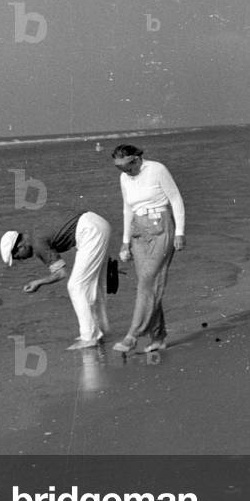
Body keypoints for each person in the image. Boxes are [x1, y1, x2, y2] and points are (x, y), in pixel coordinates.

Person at [111, 144, 186, 354]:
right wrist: (125, 241)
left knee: (148, 281)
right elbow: (127, 208)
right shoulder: (124, 178)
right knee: (147, 283)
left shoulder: (157, 169)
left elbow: (176, 199)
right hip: (138, 230)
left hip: (161, 226)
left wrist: (180, 232)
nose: (124, 171)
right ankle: (158, 337)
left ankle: (132, 335)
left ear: (136, 159)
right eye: (118, 167)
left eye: (126, 166)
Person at [0, 211, 111, 350]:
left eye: (17, 257)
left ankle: (88, 338)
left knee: (75, 287)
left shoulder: (37, 244)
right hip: (96, 223)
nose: (21, 260)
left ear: (20, 246)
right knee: (90, 285)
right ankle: (98, 332)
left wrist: (38, 283)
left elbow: (61, 273)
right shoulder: (35, 231)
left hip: (90, 231)